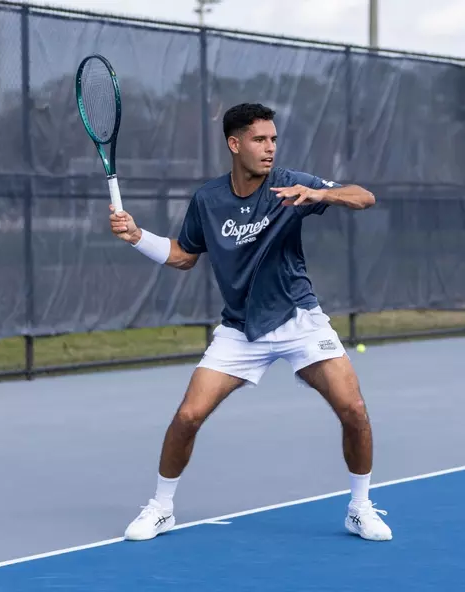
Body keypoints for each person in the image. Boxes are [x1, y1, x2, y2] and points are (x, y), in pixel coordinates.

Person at [108, 102, 392, 543]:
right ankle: (161, 508)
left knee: (354, 410)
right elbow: (184, 256)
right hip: (240, 330)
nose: (270, 148)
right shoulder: (208, 199)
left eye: (274, 139)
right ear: (234, 144)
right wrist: (136, 236)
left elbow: (364, 197)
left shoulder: (290, 184)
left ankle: (359, 507)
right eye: (260, 139)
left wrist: (322, 194)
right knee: (187, 416)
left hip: (299, 318)